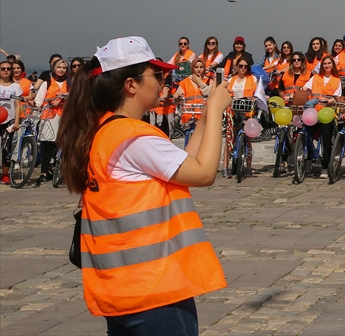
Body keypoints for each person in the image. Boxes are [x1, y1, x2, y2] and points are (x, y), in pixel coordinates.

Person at [58, 37, 230, 335]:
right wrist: (215, 110)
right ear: (131, 85)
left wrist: (203, 119)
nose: (163, 82)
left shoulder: (107, 133)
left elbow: (182, 166)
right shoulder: (136, 137)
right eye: (157, 75)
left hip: (122, 290)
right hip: (155, 291)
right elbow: (203, 173)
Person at [222, 57, 267, 176]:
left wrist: (262, 98)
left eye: (245, 66)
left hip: (248, 113)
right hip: (233, 113)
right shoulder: (231, 80)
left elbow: (259, 92)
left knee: (248, 141)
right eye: (240, 66)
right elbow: (223, 91)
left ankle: (248, 167)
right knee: (229, 140)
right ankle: (225, 167)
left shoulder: (252, 79)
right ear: (236, 67)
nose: (242, 68)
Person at [304, 56, 343, 179]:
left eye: (329, 63)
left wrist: (329, 101)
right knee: (306, 134)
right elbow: (305, 89)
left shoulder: (337, 80)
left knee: (327, 140)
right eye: (324, 63)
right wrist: (301, 92)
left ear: (332, 65)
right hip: (313, 112)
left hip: (327, 113)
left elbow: (337, 97)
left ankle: (325, 167)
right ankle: (308, 159)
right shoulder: (315, 78)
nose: (327, 65)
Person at [34, 57, 70, 183]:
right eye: (59, 67)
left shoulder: (70, 83)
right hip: (49, 116)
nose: (61, 70)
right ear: (53, 68)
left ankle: (60, 170)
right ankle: (44, 172)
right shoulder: (47, 82)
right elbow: (39, 101)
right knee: (48, 145)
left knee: (63, 145)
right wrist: (48, 103)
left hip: (64, 116)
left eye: (64, 67)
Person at [0, 60, 23, 184]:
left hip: (8, 121)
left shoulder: (15, 87)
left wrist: (16, 122)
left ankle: (5, 174)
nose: (5, 71)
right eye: (3, 68)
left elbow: (18, 105)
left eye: (8, 68)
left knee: (6, 149)